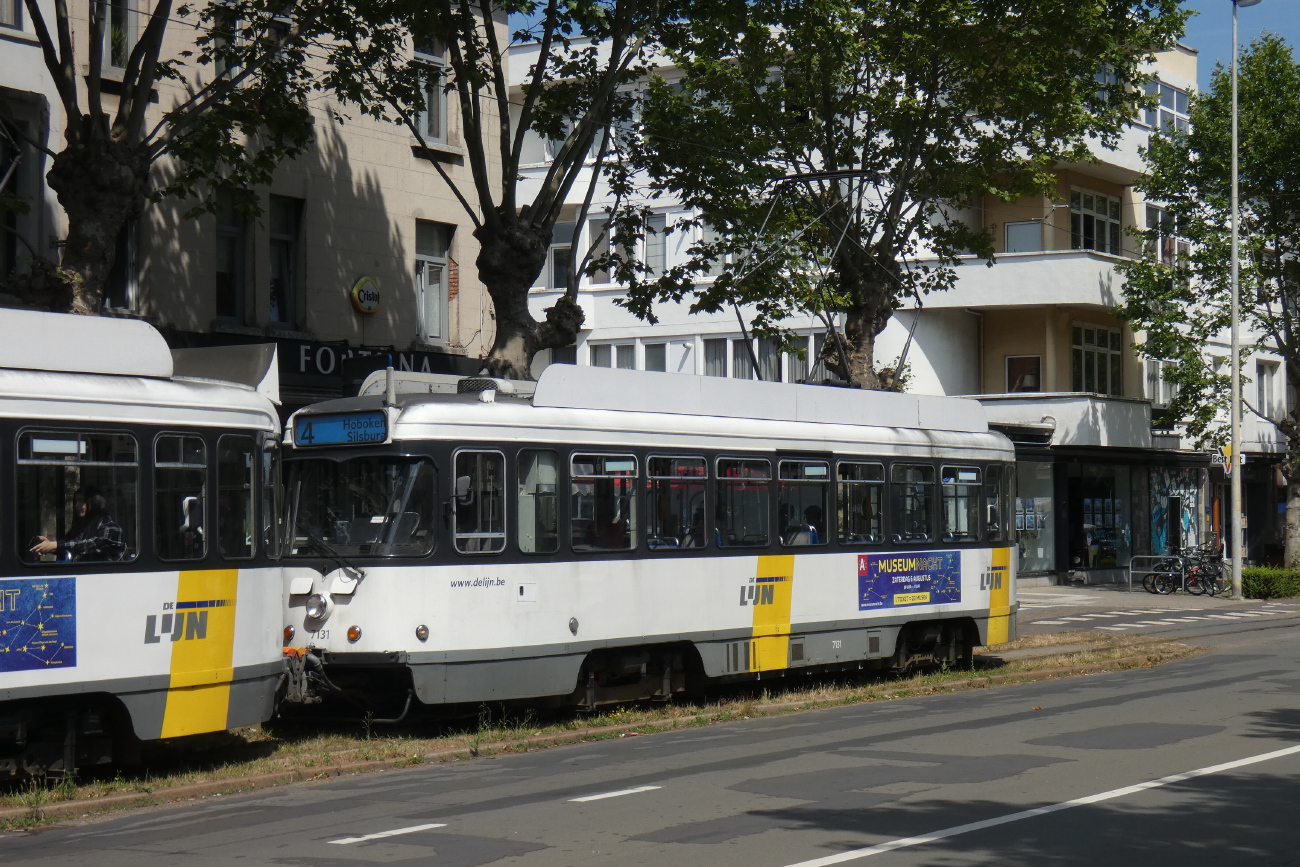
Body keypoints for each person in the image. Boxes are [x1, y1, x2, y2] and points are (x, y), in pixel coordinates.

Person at [30, 488, 127, 562]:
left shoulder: (112, 528)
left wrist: (55, 545)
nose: (76, 505)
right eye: (76, 502)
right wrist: (48, 547)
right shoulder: (82, 528)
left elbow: (89, 545)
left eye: (81, 501)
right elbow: (70, 545)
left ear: (93, 503)